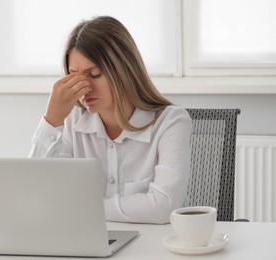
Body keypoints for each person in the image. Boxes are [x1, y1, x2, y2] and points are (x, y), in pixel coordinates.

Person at [29, 16, 191, 224]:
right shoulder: (71, 121)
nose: (84, 87)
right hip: (87, 246)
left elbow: (163, 207)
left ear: (124, 71)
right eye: (73, 76)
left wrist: (79, 207)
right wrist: (52, 120)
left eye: (94, 74)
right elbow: (35, 194)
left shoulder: (171, 122)